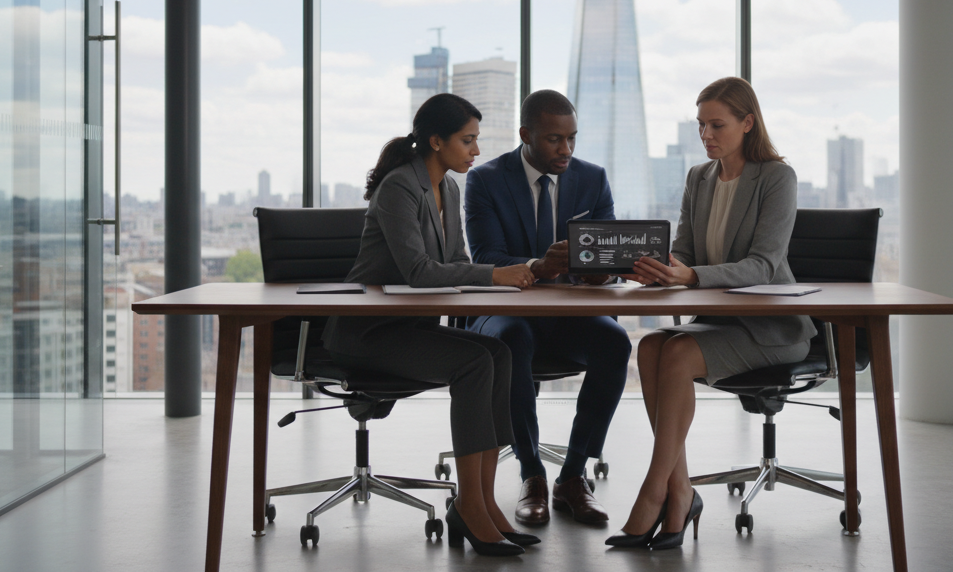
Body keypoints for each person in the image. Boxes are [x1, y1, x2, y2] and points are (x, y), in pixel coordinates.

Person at [322, 93, 537, 557]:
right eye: (468, 140)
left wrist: (501, 280)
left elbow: (457, 261)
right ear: (436, 141)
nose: (476, 152)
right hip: (366, 333)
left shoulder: (450, 188)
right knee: (474, 364)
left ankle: (483, 502)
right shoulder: (400, 187)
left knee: (497, 353)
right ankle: (471, 508)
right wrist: (493, 274)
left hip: (409, 328)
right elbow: (418, 270)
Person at [605, 77, 815, 551]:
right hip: (718, 323)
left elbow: (762, 265)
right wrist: (661, 269)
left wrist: (691, 277)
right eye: (701, 125)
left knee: (675, 354)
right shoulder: (699, 177)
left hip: (771, 328)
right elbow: (683, 250)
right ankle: (680, 491)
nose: (706, 135)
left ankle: (655, 492)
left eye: (717, 124)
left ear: (747, 122)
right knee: (654, 346)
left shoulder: (777, 178)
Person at [462, 89, 630, 526]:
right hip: (507, 312)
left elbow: (608, 255)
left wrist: (602, 274)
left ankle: (573, 476)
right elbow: (484, 258)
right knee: (513, 339)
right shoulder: (486, 180)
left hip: (569, 313)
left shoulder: (592, 179)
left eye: (572, 138)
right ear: (526, 135)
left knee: (615, 343)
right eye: (555, 139)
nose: (566, 150)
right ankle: (531, 472)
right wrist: (537, 266)